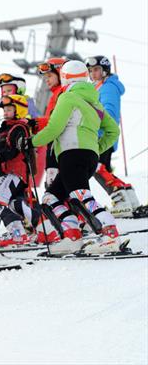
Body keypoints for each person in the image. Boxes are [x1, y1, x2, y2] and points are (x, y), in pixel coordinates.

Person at [24, 60, 121, 255]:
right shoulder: (95, 103)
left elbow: (54, 128)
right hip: (86, 156)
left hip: (72, 153)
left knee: (80, 195)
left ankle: (110, 234)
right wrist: (95, 147)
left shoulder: (67, 99)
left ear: (65, 78)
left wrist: (30, 142)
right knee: (50, 198)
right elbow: (113, 131)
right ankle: (72, 236)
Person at [86, 56, 141, 218]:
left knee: (96, 167)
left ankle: (121, 200)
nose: (93, 74)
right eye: (90, 71)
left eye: (96, 70)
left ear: (105, 70)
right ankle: (129, 199)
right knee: (102, 168)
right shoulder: (99, 86)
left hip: (102, 136)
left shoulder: (108, 87)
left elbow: (109, 112)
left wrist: (93, 126)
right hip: (100, 134)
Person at [0, 95, 41, 248]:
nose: (6, 112)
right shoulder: (7, 127)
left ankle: (18, 234)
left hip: (15, 172)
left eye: (9, 109)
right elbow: (2, 152)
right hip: (11, 173)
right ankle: (44, 227)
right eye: (5, 109)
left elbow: (13, 152)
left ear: (19, 110)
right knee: (15, 204)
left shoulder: (18, 128)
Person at [36, 58, 67, 191]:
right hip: (55, 144)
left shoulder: (62, 93)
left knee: (53, 187)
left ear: (60, 73)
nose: (46, 80)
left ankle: (61, 210)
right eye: (45, 77)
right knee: (56, 186)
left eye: (49, 76)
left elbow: (54, 121)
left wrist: (33, 123)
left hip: (57, 144)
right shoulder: (57, 93)